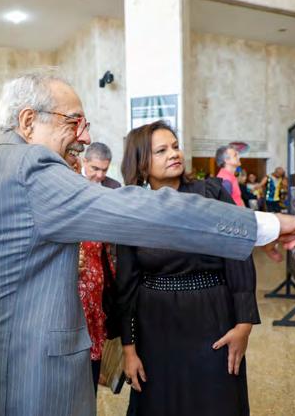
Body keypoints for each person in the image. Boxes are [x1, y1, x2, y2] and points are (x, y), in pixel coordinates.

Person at [0, 72, 295, 416]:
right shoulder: (32, 169)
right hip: (30, 382)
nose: (85, 137)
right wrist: (264, 224)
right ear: (28, 121)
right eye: (74, 122)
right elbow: (145, 214)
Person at [118, 121, 259, 416]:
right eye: (161, 151)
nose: (174, 154)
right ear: (141, 163)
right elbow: (126, 283)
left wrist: (244, 324)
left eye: (175, 146)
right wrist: (129, 349)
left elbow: (239, 256)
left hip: (213, 318)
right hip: (155, 326)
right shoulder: (133, 209)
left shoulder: (210, 194)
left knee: (216, 402)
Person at [78, 141, 121, 394]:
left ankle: (95, 380)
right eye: (95, 168)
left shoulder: (114, 188)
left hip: (103, 275)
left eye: (105, 170)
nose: (100, 175)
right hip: (78, 275)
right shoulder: (71, 183)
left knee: (99, 334)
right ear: (84, 162)